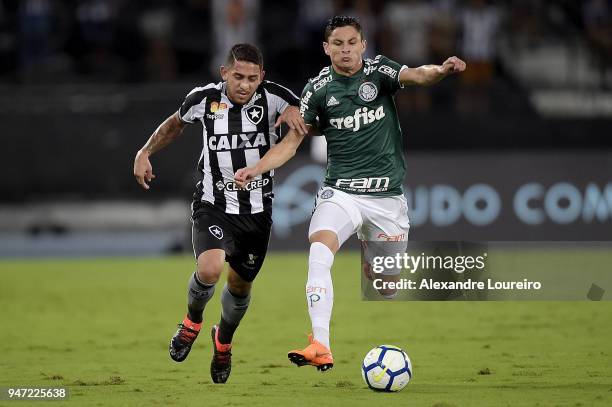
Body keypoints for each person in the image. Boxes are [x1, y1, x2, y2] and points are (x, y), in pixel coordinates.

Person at [234, 16, 466, 372]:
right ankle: (321, 344)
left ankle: (367, 248)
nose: (345, 50)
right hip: (340, 191)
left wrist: (443, 69)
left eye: (351, 42)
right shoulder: (318, 89)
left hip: (386, 197)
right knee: (318, 253)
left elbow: (420, 74)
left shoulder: (379, 73)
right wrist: (257, 168)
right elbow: (291, 143)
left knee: (385, 286)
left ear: (363, 44)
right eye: (337, 44)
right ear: (326, 48)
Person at [133, 43, 307, 383]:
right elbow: (174, 125)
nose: (244, 85)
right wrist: (145, 151)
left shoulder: (276, 97)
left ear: (262, 78)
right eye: (238, 76)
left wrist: (293, 113)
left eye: (252, 78)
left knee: (240, 288)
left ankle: (223, 343)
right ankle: (192, 321)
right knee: (210, 269)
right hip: (213, 204)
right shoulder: (204, 99)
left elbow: (301, 118)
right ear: (224, 73)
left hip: (257, 212)